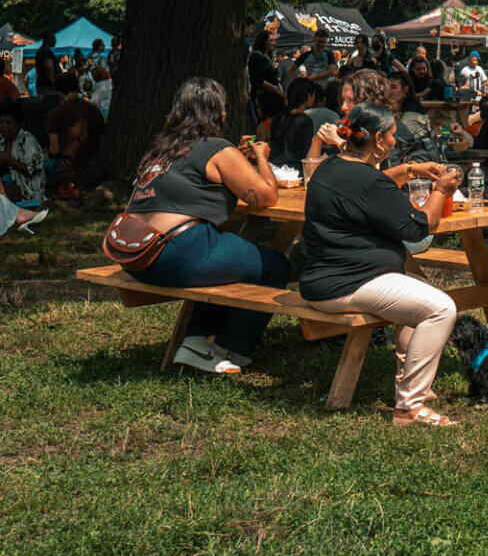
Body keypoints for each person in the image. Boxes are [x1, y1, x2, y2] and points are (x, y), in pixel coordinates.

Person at [300, 102, 463, 427]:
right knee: (441, 308)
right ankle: (410, 408)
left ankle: (413, 389)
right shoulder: (366, 181)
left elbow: (367, 189)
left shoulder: (332, 168)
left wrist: (409, 170)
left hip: (324, 278)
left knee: (421, 298)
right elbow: (420, 226)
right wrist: (441, 191)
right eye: (390, 136)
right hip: (346, 283)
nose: (393, 141)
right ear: (376, 140)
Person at [118, 77, 288, 374]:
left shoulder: (161, 151)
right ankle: (228, 348)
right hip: (178, 253)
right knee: (275, 267)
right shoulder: (217, 149)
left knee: (227, 259)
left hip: (136, 255)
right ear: (217, 112)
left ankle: (196, 341)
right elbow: (266, 196)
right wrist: (261, 157)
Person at [46, 76, 106, 171]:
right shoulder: (94, 110)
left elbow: (54, 149)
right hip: (95, 164)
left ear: (60, 92)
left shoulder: (56, 113)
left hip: (68, 167)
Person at [0, 102, 46, 207]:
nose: (4, 126)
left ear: (18, 124)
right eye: (1, 122)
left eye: (8, 123)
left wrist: (9, 160)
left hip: (28, 188)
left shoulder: (27, 140)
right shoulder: (2, 139)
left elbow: (30, 171)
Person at [269, 78, 319, 168]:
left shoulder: (278, 118)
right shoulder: (305, 121)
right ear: (308, 96)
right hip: (293, 171)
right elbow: (305, 152)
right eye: (313, 95)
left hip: (273, 167)